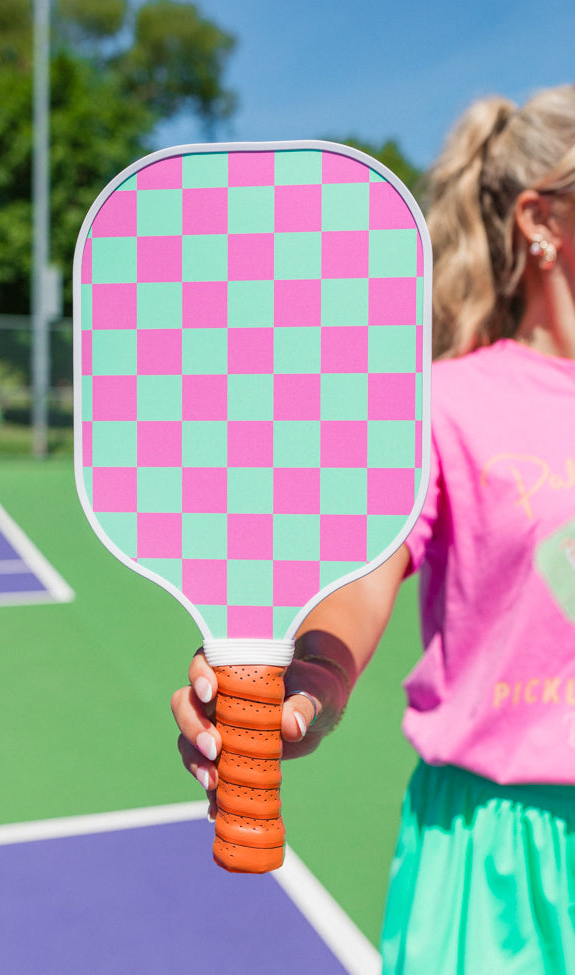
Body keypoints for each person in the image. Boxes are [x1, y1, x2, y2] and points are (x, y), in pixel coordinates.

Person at [171, 84, 575, 973]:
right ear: (543, 221)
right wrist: (309, 682)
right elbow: (363, 579)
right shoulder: (448, 404)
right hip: (501, 860)